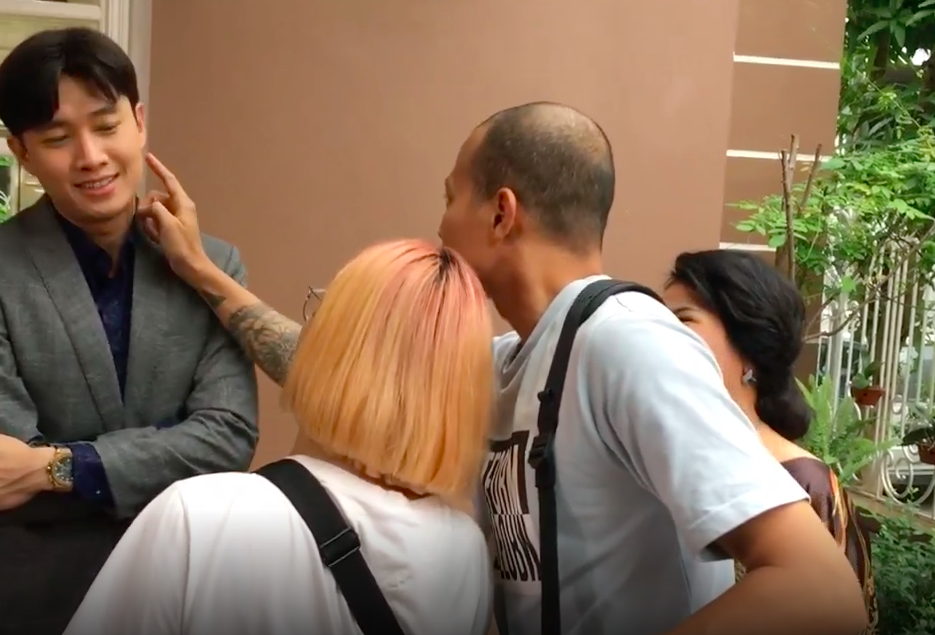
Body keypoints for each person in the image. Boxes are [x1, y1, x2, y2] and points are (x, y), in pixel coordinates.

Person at [136, 101, 868, 635]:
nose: (439, 224)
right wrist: (201, 270)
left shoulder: (630, 344)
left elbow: (817, 589)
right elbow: (336, 371)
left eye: (449, 197)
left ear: (500, 213)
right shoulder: (508, 364)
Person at [0, 28, 259, 635]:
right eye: (58, 138)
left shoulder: (212, 266)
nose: (91, 157)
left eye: (107, 126)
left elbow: (228, 440)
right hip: (35, 600)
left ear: (139, 122)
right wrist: (161, 451)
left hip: (185, 589)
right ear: (22, 152)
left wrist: (54, 467)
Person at [62, 236, 495, 635]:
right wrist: (199, 267)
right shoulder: (466, 553)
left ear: (329, 346)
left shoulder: (201, 518)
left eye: (319, 313)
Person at [663, 248, 878, 632]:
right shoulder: (659, 457)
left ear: (748, 350)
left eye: (683, 320)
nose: (658, 339)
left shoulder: (807, 484)